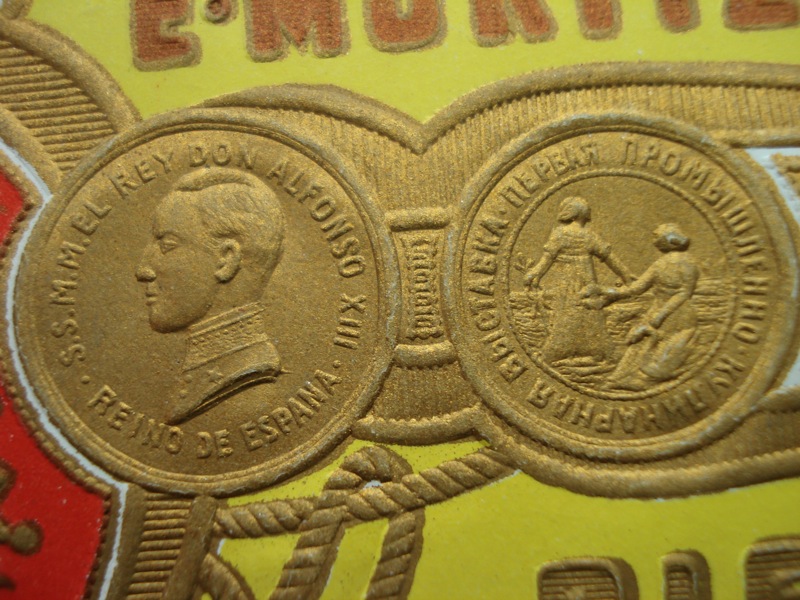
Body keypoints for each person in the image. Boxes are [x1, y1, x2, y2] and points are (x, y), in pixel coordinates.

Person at [136, 168, 286, 424]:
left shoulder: (244, 384)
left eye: (167, 245)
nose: (142, 270)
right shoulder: (204, 377)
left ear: (226, 260)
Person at [583, 223, 699, 391]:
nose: (653, 241)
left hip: (677, 315)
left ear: (670, 240)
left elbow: (683, 294)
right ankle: (618, 378)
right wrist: (602, 291)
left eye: (656, 236)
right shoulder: (669, 264)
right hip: (663, 312)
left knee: (661, 350)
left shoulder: (678, 264)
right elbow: (636, 289)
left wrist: (658, 317)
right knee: (638, 341)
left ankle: (640, 380)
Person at [524, 196, 632, 365]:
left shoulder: (560, 234)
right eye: (587, 208)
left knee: (565, 314)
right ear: (580, 212)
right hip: (587, 282)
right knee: (591, 314)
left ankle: (557, 352)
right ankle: (599, 351)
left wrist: (533, 274)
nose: (590, 210)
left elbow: (546, 260)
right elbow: (610, 258)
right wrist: (626, 275)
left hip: (566, 283)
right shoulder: (589, 235)